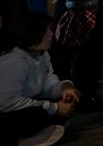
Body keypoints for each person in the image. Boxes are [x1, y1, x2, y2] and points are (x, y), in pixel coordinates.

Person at [0, 12, 81, 146]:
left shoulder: (42, 54)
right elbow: (8, 103)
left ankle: (35, 134)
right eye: (45, 31)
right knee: (33, 115)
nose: (51, 34)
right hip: (7, 112)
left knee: (66, 102)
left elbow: (46, 82)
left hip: (26, 103)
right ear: (29, 33)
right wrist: (55, 108)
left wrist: (63, 88)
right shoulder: (12, 61)